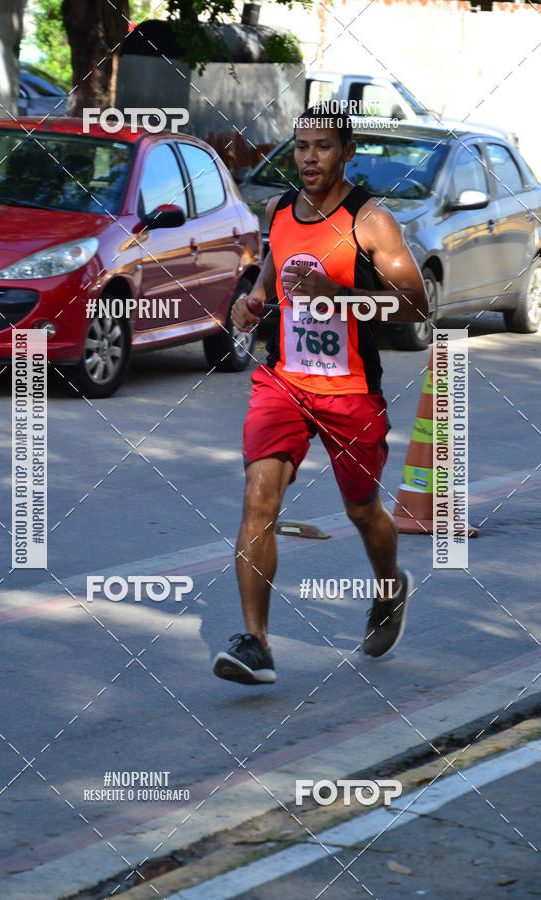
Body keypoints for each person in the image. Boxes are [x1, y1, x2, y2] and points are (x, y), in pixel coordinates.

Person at [212, 107, 428, 685]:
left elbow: (414, 305)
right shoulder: (280, 210)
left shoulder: (371, 222)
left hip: (351, 390)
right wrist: (253, 302)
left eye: (322, 147)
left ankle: (389, 588)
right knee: (260, 498)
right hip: (284, 380)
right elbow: (271, 276)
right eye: (301, 146)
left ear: (346, 151)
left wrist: (338, 292)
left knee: (362, 510)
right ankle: (255, 643)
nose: (309, 157)